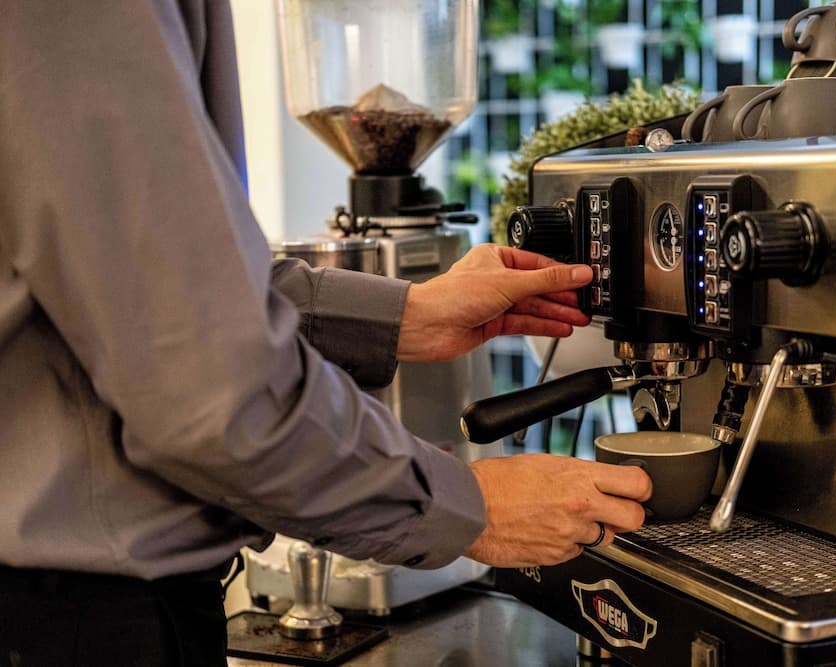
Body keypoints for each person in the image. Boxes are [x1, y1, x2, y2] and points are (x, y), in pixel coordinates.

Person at [0, 2, 651, 665]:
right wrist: (473, 503)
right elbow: (209, 388)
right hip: (72, 619)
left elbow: (168, 282)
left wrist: (407, 314)